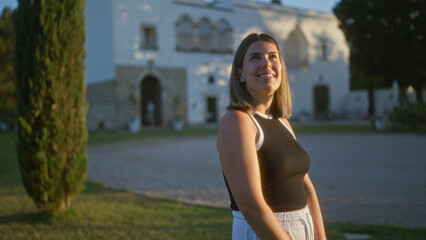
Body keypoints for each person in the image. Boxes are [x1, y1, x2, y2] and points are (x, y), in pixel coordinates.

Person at [217, 33, 326, 240]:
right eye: (255, 57)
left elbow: (308, 190)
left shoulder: (282, 122)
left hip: (303, 228)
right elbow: (252, 208)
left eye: (272, 56)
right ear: (240, 74)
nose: (266, 63)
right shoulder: (237, 121)